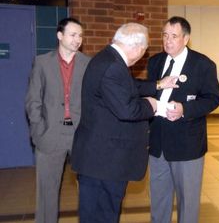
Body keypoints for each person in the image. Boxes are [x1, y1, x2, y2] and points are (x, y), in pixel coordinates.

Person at [70, 23, 177, 223]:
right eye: (143, 51)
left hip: (99, 159)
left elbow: (128, 87)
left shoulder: (109, 58)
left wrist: (158, 84)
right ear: (137, 48)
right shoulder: (113, 66)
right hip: (105, 162)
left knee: (99, 214)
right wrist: (151, 105)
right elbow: (128, 109)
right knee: (103, 215)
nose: (141, 55)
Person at [147, 16, 219, 223]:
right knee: (159, 200)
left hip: (187, 145)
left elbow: (213, 99)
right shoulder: (155, 62)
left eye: (174, 36)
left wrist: (185, 109)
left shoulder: (203, 64)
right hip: (158, 144)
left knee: (188, 203)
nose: (167, 41)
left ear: (186, 38)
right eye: (165, 35)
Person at [25, 17, 91, 223]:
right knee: (47, 192)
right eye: (73, 34)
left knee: (90, 189)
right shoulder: (42, 62)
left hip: (81, 134)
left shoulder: (88, 64)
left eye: (80, 35)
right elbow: (33, 100)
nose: (77, 39)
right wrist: (39, 131)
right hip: (50, 134)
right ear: (59, 35)